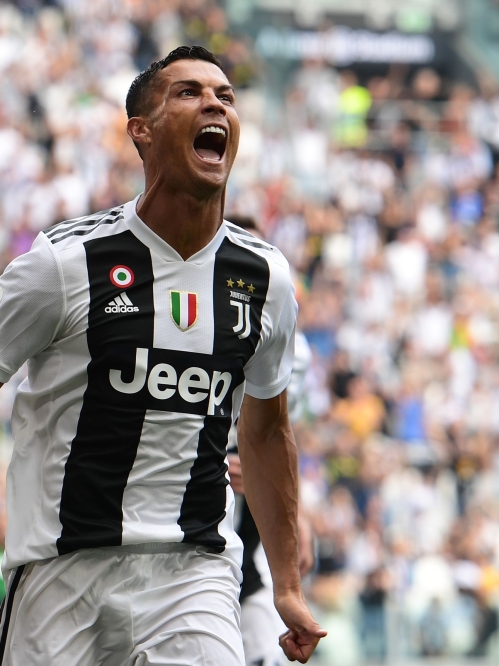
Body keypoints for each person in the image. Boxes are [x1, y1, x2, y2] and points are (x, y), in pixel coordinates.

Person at [0, 45, 326, 665]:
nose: (215, 102)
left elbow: (268, 433)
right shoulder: (63, 263)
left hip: (194, 575)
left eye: (226, 96)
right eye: (188, 92)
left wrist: (287, 586)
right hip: (62, 569)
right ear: (142, 131)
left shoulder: (263, 278)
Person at [225, 214, 316, 666]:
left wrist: (297, 517)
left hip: (252, 538)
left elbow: (281, 436)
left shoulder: (286, 340)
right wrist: (213, 466)